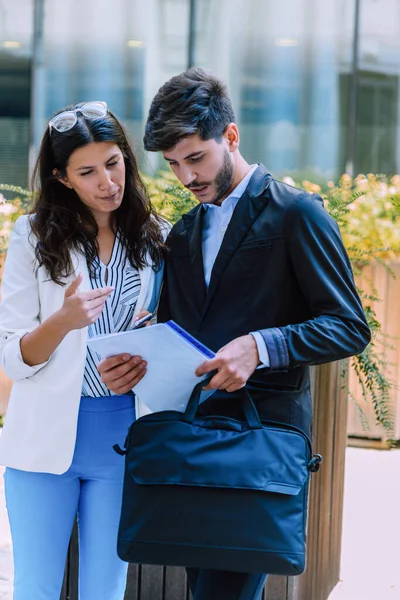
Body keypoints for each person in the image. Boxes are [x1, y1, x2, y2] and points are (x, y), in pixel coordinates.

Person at [98, 68, 371, 600]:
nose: (186, 177)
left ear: (231, 136)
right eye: (174, 164)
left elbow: (347, 326)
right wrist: (138, 361)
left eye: (195, 158)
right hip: (193, 440)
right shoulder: (183, 232)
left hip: (260, 446)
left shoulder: (297, 215)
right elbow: (181, 334)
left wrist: (261, 345)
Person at [0, 101, 167, 600]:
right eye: (88, 172)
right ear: (62, 178)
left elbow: (168, 334)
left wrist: (146, 360)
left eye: (113, 163)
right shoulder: (31, 237)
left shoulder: (154, 237)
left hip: (122, 438)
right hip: (42, 441)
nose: (106, 182)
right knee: (36, 589)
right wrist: (63, 322)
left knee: (106, 590)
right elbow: (12, 357)